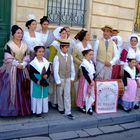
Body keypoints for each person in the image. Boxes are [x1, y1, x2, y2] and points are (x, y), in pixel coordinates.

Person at [0, 25, 31, 116]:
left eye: (21, 33)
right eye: (18, 33)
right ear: (13, 34)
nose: (19, 35)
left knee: (23, 88)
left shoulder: (25, 45)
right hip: (11, 69)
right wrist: (17, 64)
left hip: (22, 69)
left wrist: (24, 64)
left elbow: (27, 56)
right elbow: (7, 58)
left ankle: (22, 110)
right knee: (10, 89)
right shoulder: (9, 44)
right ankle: (11, 110)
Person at [53, 39, 75, 119]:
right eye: (65, 47)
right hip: (61, 78)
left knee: (67, 94)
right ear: (61, 48)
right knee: (59, 93)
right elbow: (55, 69)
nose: (67, 49)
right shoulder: (57, 57)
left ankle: (68, 111)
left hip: (68, 78)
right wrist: (57, 80)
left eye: (67, 47)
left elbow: (72, 67)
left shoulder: (70, 56)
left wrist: (72, 77)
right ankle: (61, 107)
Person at [48, 27, 67, 108]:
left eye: (65, 33)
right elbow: (51, 57)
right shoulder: (55, 44)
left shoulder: (65, 43)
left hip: (63, 66)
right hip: (56, 66)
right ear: (59, 34)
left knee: (60, 84)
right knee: (54, 84)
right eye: (63, 33)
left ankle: (58, 101)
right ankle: (52, 101)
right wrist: (51, 68)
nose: (64, 35)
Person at [29, 46, 51, 117]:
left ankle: (43, 109)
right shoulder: (33, 63)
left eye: (43, 51)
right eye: (39, 51)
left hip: (44, 80)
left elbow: (49, 71)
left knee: (44, 95)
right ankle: (36, 110)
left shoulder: (46, 62)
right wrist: (36, 81)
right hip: (37, 80)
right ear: (36, 53)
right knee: (37, 96)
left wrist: (47, 75)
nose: (41, 53)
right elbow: (31, 74)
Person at [77, 48, 95, 115]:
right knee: (83, 92)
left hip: (91, 80)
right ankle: (81, 106)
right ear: (85, 55)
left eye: (92, 55)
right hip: (85, 80)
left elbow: (93, 72)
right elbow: (85, 73)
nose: (91, 56)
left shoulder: (91, 63)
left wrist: (93, 80)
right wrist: (90, 81)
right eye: (90, 54)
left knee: (90, 93)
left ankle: (89, 105)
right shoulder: (83, 63)